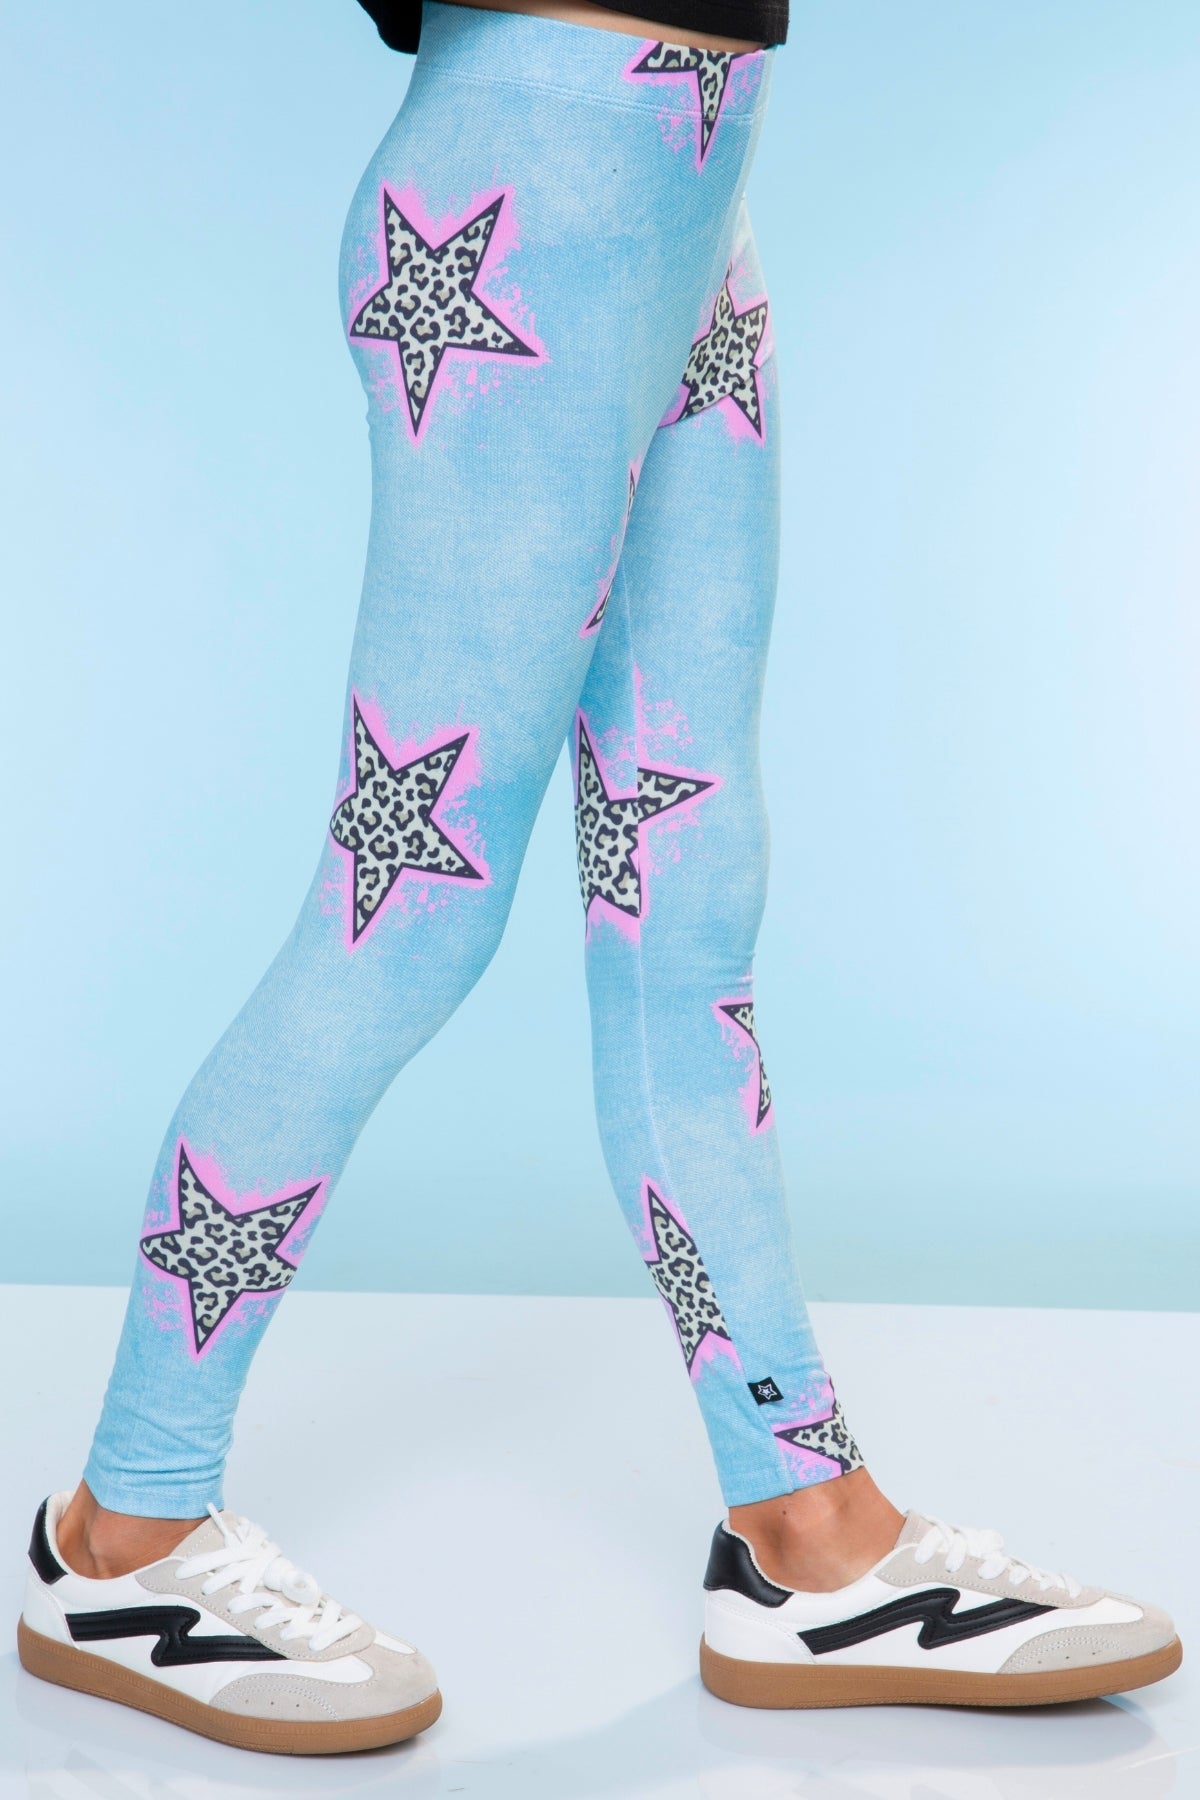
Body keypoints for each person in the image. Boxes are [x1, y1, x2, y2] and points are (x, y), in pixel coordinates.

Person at [16, 0, 1181, 1756]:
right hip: (528, 194)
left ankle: (807, 1531)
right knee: (407, 900)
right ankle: (127, 1528)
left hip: (693, 207)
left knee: (692, 905)